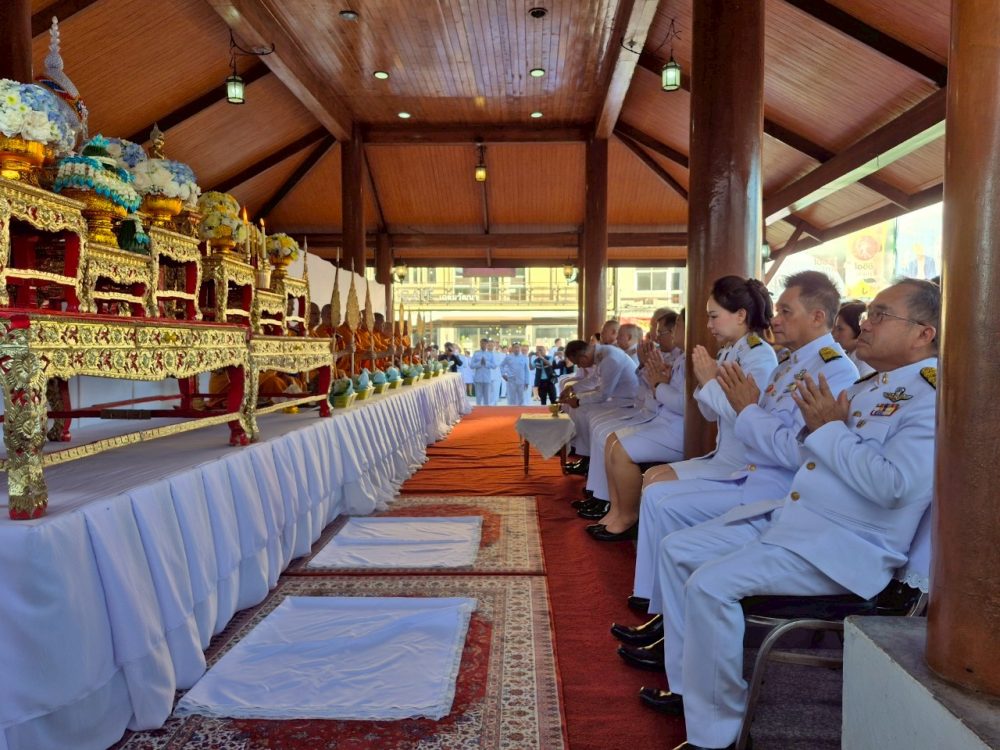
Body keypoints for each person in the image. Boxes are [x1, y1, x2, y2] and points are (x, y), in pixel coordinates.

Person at [647, 279, 939, 750]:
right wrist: (824, 432)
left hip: (846, 547)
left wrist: (828, 431)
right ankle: (689, 689)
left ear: (923, 333)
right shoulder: (870, 385)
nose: (866, 322)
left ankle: (716, 733)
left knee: (710, 586)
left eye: (881, 315)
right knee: (679, 549)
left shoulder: (929, 398)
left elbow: (894, 487)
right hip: (804, 522)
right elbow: (814, 448)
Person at [624, 272, 858, 642]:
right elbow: (726, 416)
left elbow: (793, 450)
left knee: (663, 502)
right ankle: (664, 614)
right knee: (660, 500)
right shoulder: (788, 365)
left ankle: (669, 621)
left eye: (785, 311)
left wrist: (732, 398)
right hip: (751, 472)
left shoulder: (833, 370)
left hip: (775, 489)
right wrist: (715, 387)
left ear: (817, 317)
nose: (775, 319)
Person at [581, 309, 686, 538]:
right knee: (611, 438)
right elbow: (649, 387)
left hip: (672, 424)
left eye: (668, 330)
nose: (657, 337)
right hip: (658, 415)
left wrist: (659, 384)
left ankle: (625, 515)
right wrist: (649, 370)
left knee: (618, 445)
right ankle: (614, 508)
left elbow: (680, 402)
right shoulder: (676, 357)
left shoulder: (686, 358)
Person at [560, 337, 640, 473]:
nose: (579, 367)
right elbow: (594, 380)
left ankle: (587, 459)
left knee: (580, 409)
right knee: (576, 407)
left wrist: (578, 401)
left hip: (627, 402)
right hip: (617, 398)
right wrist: (572, 389)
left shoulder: (610, 359)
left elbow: (603, 394)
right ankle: (584, 455)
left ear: (583, 358)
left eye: (578, 363)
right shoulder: (603, 354)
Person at [833, 300, 875, 378]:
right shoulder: (848, 354)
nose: (833, 333)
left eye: (840, 329)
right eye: (835, 328)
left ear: (858, 329)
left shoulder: (866, 363)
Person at [500, 341, 531, 405]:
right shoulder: (508, 357)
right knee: (511, 398)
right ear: (512, 348)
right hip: (511, 380)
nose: (516, 349)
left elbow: (526, 370)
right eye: (515, 347)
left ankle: (520, 410)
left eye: (518, 347)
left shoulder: (524, 357)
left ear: (520, 348)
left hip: (521, 380)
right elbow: (501, 365)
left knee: (521, 398)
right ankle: (511, 410)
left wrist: (527, 382)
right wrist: (503, 374)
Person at [469, 338, 498, 406]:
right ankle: (479, 410)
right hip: (478, 378)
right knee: (478, 397)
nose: (483, 345)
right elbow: (471, 365)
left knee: (487, 397)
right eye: (482, 343)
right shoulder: (476, 353)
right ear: (480, 344)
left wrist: (486, 363)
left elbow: (494, 366)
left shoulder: (490, 354)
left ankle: (487, 410)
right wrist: (479, 363)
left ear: (487, 344)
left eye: (485, 344)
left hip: (487, 378)